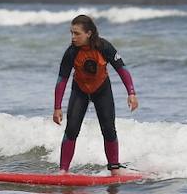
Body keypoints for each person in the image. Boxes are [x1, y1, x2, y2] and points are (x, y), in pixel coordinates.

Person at [53, 14, 139, 174]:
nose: (73, 37)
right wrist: (57, 107)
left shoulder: (104, 47)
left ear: (89, 33)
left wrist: (131, 93)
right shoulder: (71, 52)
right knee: (71, 129)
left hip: (102, 90)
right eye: (71, 33)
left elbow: (122, 69)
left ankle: (114, 169)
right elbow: (62, 80)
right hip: (80, 90)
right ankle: (63, 171)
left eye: (77, 33)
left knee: (108, 129)